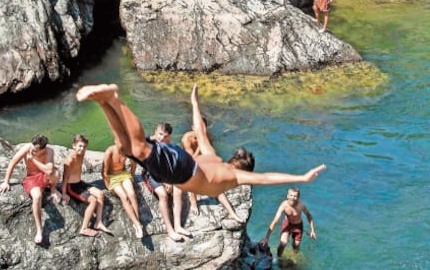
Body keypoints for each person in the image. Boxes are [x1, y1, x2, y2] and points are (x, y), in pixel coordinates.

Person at [76, 83, 326, 199]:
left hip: (183, 164)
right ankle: (115, 97)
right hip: (184, 172)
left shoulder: (214, 156)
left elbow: (200, 129)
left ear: (235, 160)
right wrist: (301, 178)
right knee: (139, 147)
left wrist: (195, 103)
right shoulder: (235, 178)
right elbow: (267, 178)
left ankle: (103, 102)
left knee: (125, 147)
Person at [0, 134, 60, 244]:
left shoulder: (49, 151)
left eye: (35, 150)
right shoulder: (27, 148)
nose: (32, 150)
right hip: (32, 178)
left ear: (43, 149)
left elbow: (49, 171)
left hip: (44, 175)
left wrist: (33, 159)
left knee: (56, 173)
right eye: (31, 147)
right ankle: (39, 229)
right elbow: (13, 162)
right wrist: (6, 182)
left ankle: (53, 189)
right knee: (37, 197)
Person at [140, 123, 191, 241]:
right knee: (163, 195)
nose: (161, 138)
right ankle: (170, 230)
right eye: (160, 134)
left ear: (169, 136)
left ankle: (178, 226)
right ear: (155, 131)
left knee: (178, 190)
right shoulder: (147, 141)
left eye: (165, 136)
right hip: (151, 174)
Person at [60, 134, 113, 237]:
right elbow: (65, 178)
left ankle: (98, 222)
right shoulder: (69, 160)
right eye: (80, 146)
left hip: (80, 183)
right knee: (93, 200)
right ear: (74, 145)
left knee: (100, 194)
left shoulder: (82, 154)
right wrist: (64, 194)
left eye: (84, 147)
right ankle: (84, 228)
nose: (82, 149)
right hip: (72, 186)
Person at [103, 136, 145, 238]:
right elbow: (104, 171)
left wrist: (131, 176)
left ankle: (137, 223)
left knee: (132, 194)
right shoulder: (110, 151)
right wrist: (108, 186)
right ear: (115, 140)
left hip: (123, 173)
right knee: (124, 197)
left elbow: (134, 164)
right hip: (112, 176)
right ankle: (138, 224)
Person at [257, 187, 317, 257]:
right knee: (283, 243)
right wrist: (267, 237)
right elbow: (275, 221)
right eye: (291, 195)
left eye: (295, 196)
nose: (292, 198)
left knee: (296, 246)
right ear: (287, 196)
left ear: (298, 197)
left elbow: (309, 215)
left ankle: (295, 256)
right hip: (287, 225)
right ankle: (278, 258)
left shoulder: (301, 205)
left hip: (298, 226)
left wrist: (312, 230)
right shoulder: (284, 205)